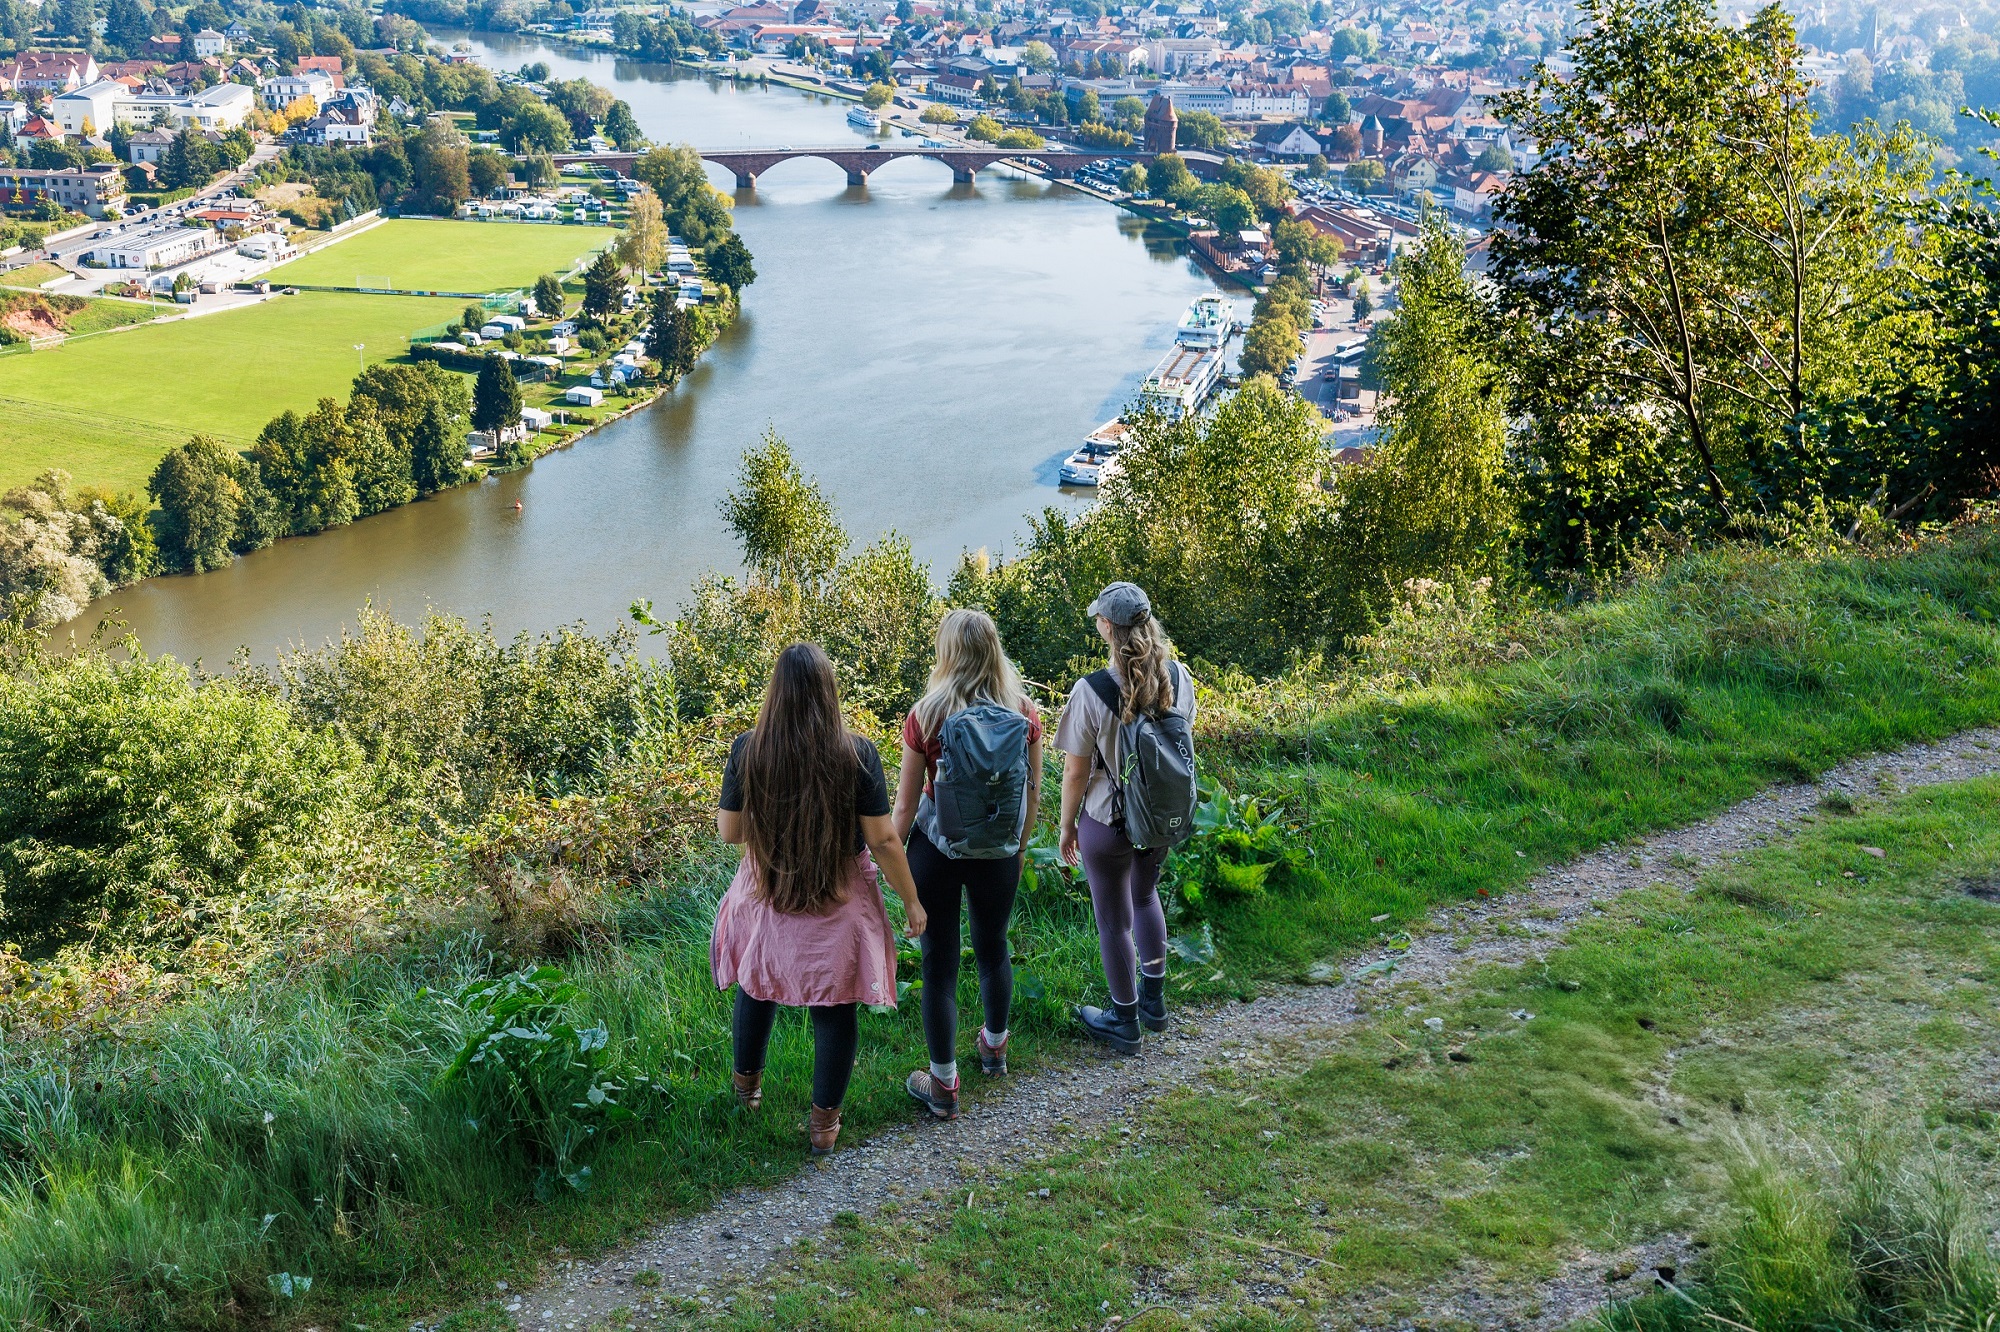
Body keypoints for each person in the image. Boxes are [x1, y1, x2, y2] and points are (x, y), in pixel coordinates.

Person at [712, 642, 928, 1156]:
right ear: (829, 692)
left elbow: (730, 832)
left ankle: (746, 1094)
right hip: (836, 899)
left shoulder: (749, 749)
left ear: (775, 695)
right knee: (834, 1007)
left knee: (756, 985)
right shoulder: (856, 753)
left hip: (767, 892)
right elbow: (882, 840)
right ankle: (823, 1127)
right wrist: (912, 901)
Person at [892, 609, 1044, 1120]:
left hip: (937, 851)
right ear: (995, 652)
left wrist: (881, 864)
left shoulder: (926, 715)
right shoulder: (1023, 713)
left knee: (939, 964)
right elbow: (1032, 792)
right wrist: (1019, 849)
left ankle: (942, 1085)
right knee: (993, 946)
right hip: (999, 851)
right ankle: (995, 1049)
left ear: (947, 654)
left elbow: (906, 807)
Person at [1054, 582, 1198, 1054]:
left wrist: (1066, 826)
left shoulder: (1091, 689)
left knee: (1113, 920)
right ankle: (1154, 1004)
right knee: (1145, 896)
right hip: (1158, 817)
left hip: (1107, 820)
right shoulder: (1179, 676)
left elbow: (1076, 772)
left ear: (1107, 628)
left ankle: (1124, 1020)